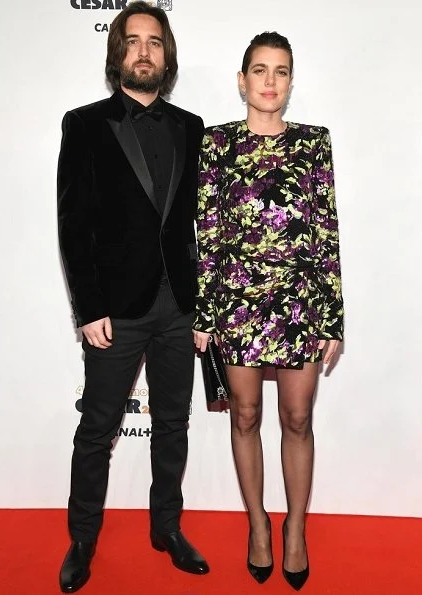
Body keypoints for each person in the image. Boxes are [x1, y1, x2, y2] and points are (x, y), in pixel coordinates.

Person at [57, 2, 208, 592]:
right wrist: (87, 307)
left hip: (180, 307)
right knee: (97, 428)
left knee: (173, 422)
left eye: (155, 41)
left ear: (167, 55)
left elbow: (206, 225)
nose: (145, 51)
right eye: (133, 41)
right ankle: (83, 538)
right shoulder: (85, 123)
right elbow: (74, 223)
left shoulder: (192, 128)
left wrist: (206, 309)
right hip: (114, 311)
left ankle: (166, 528)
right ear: (117, 51)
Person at [193, 32, 344, 590]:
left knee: (297, 419)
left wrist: (333, 319)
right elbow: (207, 235)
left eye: (281, 71)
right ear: (242, 80)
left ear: (290, 81)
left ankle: (296, 530)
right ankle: (258, 526)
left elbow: (325, 232)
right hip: (237, 305)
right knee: (245, 416)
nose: (270, 82)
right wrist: (205, 315)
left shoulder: (314, 143)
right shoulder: (216, 144)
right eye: (260, 70)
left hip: (301, 304)